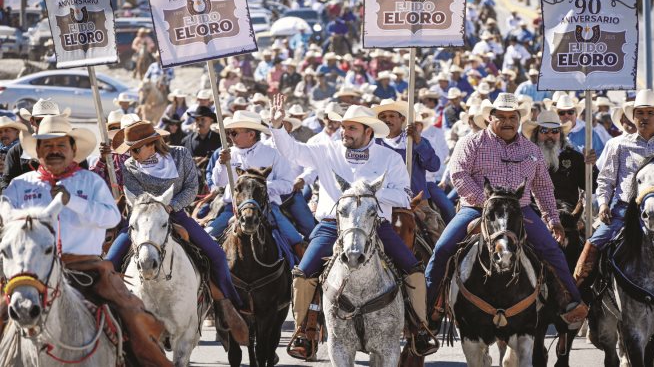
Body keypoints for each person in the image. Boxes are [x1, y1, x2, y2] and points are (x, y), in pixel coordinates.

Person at [269, 98, 438, 358]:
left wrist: (367, 197)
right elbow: (293, 152)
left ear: (368, 131)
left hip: (375, 224)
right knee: (303, 272)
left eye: (351, 128)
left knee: (412, 268)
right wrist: (278, 126)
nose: (344, 133)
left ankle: (420, 327)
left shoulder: (390, 158)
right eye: (343, 127)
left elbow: (405, 196)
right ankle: (304, 330)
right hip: (332, 225)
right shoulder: (327, 150)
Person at [2, 116, 172, 366]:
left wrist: (74, 202)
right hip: (30, 272)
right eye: (47, 146)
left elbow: (111, 217)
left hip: (87, 269)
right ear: (37, 151)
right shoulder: (19, 186)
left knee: (132, 316)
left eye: (61, 145)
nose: (54, 151)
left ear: (72, 150)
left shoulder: (90, 182)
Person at [425, 93, 588, 328]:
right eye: (501, 116)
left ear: (520, 119)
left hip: (520, 210)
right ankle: (427, 310)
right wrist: (488, 203)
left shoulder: (531, 150)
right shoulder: (471, 143)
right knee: (442, 249)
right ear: (490, 118)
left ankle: (572, 303)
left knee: (552, 250)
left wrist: (553, 219)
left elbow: (542, 187)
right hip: (477, 209)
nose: (508, 121)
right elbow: (458, 176)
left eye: (512, 116)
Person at [105, 121, 248, 344]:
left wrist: (170, 207)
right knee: (109, 262)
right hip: (143, 220)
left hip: (177, 214)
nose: (130, 154)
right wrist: (153, 209)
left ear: (150, 144)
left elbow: (192, 187)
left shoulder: (180, 155)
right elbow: (132, 196)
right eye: (129, 150)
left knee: (217, 256)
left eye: (134, 149)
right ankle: (108, 316)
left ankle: (227, 306)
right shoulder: (129, 166)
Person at [574, 90, 654, 285]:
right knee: (594, 243)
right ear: (633, 117)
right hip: (624, 208)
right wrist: (604, 204)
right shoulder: (618, 145)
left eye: (650, 113)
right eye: (640, 113)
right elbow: (605, 179)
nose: (645, 118)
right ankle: (578, 296)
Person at [210, 111, 309, 249]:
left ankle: (302, 269)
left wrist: (258, 186)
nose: (230, 137)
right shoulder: (227, 155)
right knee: (207, 236)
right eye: (229, 133)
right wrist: (221, 164)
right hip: (232, 209)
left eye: (234, 133)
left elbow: (287, 185)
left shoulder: (273, 153)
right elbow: (218, 182)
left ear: (251, 134)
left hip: (267, 209)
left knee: (296, 241)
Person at [522, 110, 597, 208]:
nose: (550, 135)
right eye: (544, 130)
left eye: (555, 131)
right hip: (535, 212)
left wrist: (592, 166)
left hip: (566, 212)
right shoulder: (525, 157)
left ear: (560, 135)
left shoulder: (574, 157)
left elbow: (592, 187)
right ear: (536, 134)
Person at [374, 100, 440, 201]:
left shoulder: (416, 140)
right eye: (383, 117)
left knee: (442, 212)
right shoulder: (373, 143)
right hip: (383, 200)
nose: (387, 119)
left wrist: (418, 142)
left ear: (403, 119)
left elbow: (434, 166)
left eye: (392, 116)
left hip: (415, 200)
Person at [2, 99, 72, 192]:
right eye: (41, 121)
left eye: (51, 121)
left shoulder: (73, 148)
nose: (45, 125)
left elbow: (83, 181)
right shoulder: (17, 151)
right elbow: (7, 183)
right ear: (32, 121)